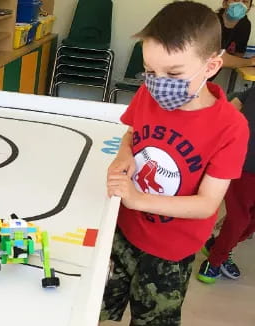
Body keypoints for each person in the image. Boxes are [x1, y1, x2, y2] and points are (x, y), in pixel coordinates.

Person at [99, 2, 249, 325]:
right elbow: (131, 133)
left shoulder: (230, 128)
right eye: (150, 71)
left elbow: (207, 204)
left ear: (211, 66)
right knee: (97, 309)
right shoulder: (148, 94)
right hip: (122, 231)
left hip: (169, 254)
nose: (157, 83)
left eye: (174, 73)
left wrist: (138, 198)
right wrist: (124, 155)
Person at [197, 87, 255, 283]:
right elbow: (230, 109)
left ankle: (218, 246)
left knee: (248, 224)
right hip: (245, 168)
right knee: (238, 220)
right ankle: (213, 262)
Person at [218, 0, 254, 68]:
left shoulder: (245, 25)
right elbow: (216, 58)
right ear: (224, 3)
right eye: (235, 0)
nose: (239, 4)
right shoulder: (211, 21)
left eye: (244, 1)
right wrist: (251, 62)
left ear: (249, 8)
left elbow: (238, 55)